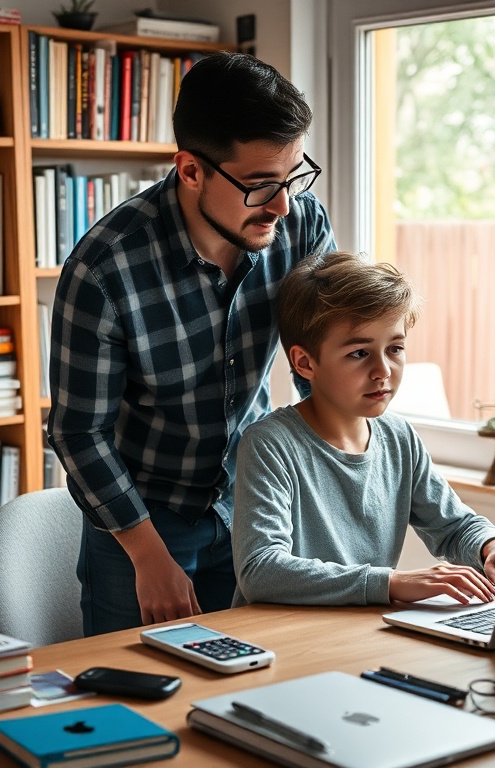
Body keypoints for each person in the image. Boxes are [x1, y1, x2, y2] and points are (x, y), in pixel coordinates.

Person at [47, 52, 336, 636]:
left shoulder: (299, 224)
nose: (283, 204)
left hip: (255, 504)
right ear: (190, 170)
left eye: (293, 176)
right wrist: (150, 558)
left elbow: (320, 368)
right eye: (260, 186)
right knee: (134, 702)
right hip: (142, 523)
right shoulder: (104, 271)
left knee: (256, 690)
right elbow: (79, 433)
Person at [232, 251, 495, 607]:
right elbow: (261, 570)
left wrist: (494, 545)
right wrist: (391, 583)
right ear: (305, 362)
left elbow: (454, 525)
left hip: (358, 633)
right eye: (359, 353)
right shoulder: (270, 444)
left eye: (395, 348)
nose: (383, 370)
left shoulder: (400, 438)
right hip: (281, 642)